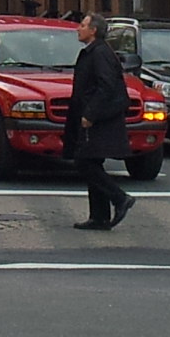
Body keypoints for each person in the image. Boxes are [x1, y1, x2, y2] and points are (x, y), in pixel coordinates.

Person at [63, 13, 135, 231]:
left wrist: (90, 114)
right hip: (93, 116)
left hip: (100, 119)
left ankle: (120, 198)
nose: (78, 28)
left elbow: (106, 86)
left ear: (93, 30)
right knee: (92, 161)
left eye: (83, 25)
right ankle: (99, 217)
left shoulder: (100, 53)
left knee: (84, 161)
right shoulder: (93, 51)